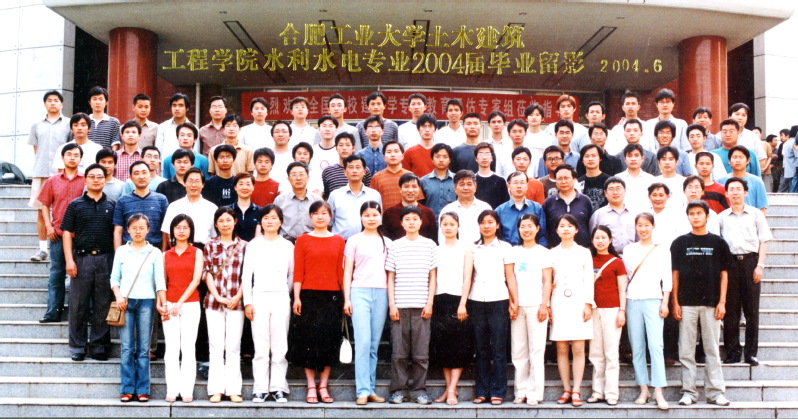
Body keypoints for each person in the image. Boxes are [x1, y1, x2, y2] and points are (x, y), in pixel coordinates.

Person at [671, 200, 732, 407]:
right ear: (687, 217)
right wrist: (675, 302)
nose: (696, 217)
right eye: (692, 213)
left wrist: (722, 302)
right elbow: (675, 275)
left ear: (707, 216)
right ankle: (688, 392)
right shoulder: (679, 243)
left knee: (712, 349)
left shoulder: (718, 243)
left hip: (711, 304)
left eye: (699, 213)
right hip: (686, 303)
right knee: (686, 351)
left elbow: (724, 275)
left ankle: (715, 393)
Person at [291, 201, 345, 404]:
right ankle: (311, 385)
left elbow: (341, 272)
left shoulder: (339, 240)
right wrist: (297, 297)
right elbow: (299, 271)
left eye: (324, 213)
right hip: (308, 295)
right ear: (310, 217)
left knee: (329, 341)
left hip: (332, 296)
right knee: (309, 340)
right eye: (316, 213)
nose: (320, 217)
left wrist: (346, 299)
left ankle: (323, 385)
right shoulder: (302, 240)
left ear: (330, 217)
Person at [62, 163, 115, 361]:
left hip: (105, 259)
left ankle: (99, 346)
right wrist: (69, 260)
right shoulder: (75, 205)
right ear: (85, 180)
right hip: (81, 259)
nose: (96, 180)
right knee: (78, 305)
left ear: (105, 180)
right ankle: (77, 347)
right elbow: (67, 233)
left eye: (100, 176)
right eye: (91, 176)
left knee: (103, 304)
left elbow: (117, 233)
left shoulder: (112, 204)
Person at [386, 205, 439, 405]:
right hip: (400, 306)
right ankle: (399, 390)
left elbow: (432, 277)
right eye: (407, 219)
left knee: (421, 353)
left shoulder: (430, 245)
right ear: (401, 223)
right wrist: (392, 304)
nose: (411, 222)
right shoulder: (394, 246)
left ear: (421, 222)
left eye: (415, 219)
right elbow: (391, 277)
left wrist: (430, 302)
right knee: (399, 353)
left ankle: (419, 390)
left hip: (421, 306)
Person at [110, 214, 166, 403]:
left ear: (148, 230)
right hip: (125, 302)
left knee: (143, 348)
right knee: (127, 348)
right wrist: (118, 296)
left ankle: (143, 389)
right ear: (128, 230)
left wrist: (163, 302)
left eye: (142, 228)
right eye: (134, 228)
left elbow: (159, 280)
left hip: (146, 302)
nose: (138, 231)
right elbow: (114, 278)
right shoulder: (121, 251)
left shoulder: (154, 252)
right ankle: (127, 389)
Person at [242, 205, 294, 403]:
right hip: (259, 298)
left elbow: (292, 275)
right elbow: (246, 276)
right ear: (261, 221)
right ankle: (260, 388)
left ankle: (279, 387)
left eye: (274, 218)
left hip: (280, 297)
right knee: (261, 346)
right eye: (266, 218)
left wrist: (285, 292)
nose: (270, 221)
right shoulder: (253, 246)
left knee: (280, 345)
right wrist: (248, 302)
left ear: (280, 221)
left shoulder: (288, 246)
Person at [719, 177, 772, 366]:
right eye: (731, 189)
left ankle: (751, 353)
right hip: (730, 263)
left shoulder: (756, 214)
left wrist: (760, 265)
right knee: (731, 310)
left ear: (745, 192)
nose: (735, 192)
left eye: (738, 189)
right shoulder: (722, 217)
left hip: (751, 262)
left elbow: (763, 241)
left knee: (751, 310)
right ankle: (732, 353)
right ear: (726, 193)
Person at [342, 201, 391, 405]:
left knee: (373, 344)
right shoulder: (354, 241)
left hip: (381, 293)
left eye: (375, 214)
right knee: (362, 342)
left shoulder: (388, 242)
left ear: (380, 217)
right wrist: (347, 298)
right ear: (361, 217)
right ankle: (362, 390)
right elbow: (347, 271)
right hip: (359, 292)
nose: (371, 218)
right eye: (367, 215)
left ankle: (371, 389)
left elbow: (391, 274)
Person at [623, 212, 672, 410]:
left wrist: (665, 303)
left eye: (646, 225)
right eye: (640, 225)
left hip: (654, 299)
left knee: (656, 345)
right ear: (635, 227)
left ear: (653, 226)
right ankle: (643, 388)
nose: (643, 229)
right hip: (632, 300)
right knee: (637, 346)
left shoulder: (662, 250)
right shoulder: (629, 249)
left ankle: (658, 390)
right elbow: (625, 278)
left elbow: (667, 278)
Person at [468, 210, 518, 405]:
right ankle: (482, 391)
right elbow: (468, 276)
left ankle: (498, 391)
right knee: (481, 348)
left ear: (497, 225)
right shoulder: (473, 248)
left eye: (490, 222)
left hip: (499, 299)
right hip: (476, 299)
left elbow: (510, 276)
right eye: (483, 222)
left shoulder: (505, 248)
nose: (486, 226)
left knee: (498, 348)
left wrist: (514, 301)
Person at [548, 214, 594, 407]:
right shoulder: (551, 253)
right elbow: (547, 281)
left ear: (576, 229)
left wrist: (588, 304)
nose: (565, 229)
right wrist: (548, 304)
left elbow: (589, 279)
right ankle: (566, 389)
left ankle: (576, 390)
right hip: (558, 301)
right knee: (561, 348)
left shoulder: (584, 252)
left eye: (569, 226)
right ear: (557, 230)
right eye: (562, 226)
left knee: (578, 347)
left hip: (579, 302)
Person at [36, 143, 85, 323]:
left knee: (81, 275)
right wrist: (48, 226)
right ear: (63, 158)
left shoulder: (86, 180)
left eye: (76, 155)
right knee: (56, 273)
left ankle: (80, 314)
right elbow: (44, 204)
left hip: (80, 236)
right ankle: (53, 312)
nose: (72, 157)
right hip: (57, 233)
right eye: (69, 154)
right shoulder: (53, 180)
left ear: (81, 159)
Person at [203, 207, 246, 403]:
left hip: (237, 302)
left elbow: (247, 274)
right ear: (216, 224)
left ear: (235, 222)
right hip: (214, 302)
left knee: (233, 346)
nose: (225, 224)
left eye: (228, 220)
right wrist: (218, 296)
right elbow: (207, 273)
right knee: (216, 346)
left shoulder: (244, 246)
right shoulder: (209, 246)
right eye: (221, 221)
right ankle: (216, 389)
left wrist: (238, 296)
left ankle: (233, 389)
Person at [430, 212, 473, 405]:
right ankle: (448, 389)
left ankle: (453, 389)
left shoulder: (465, 248)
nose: (448, 227)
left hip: (459, 300)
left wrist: (463, 303)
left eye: (452, 224)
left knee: (458, 346)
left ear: (458, 226)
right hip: (440, 299)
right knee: (443, 347)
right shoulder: (435, 249)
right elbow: (433, 277)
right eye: (445, 224)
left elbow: (467, 277)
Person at [510, 214, 551, 406]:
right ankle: (521, 391)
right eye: (522, 226)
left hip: (536, 305)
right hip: (518, 306)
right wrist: (513, 302)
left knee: (537, 349)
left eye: (530, 226)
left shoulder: (544, 252)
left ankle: (534, 393)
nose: (526, 230)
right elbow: (510, 279)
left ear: (537, 228)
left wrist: (544, 305)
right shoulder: (513, 252)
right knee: (518, 350)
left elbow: (547, 281)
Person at [161, 215, 203, 403]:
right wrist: (162, 303)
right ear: (172, 230)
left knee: (188, 347)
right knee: (171, 348)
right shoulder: (165, 254)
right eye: (177, 227)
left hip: (190, 304)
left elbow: (196, 280)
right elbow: (162, 282)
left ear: (190, 230)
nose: (181, 231)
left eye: (185, 227)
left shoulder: (197, 252)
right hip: (169, 304)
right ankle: (172, 389)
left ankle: (187, 390)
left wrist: (179, 302)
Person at [28, 90, 70, 262]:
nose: (53, 103)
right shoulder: (36, 125)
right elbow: (36, 149)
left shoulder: (68, 124)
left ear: (61, 104)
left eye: (56, 100)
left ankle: (64, 248)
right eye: (49, 100)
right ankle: (42, 249)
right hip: (42, 172)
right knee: (41, 211)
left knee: (65, 211)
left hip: (62, 174)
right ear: (45, 104)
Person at [587, 226, 627, 406]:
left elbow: (622, 289)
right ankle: (597, 391)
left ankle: (611, 393)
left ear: (610, 240)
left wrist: (622, 311)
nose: (600, 241)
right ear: (592, 240)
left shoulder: (617, 262)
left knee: (611, 352)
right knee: (595, 352)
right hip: (592, 310)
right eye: (597, 237)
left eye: (604, 237)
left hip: (612, 310)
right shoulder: (588, 260)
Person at [113, 161, 169, 251]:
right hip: (129, 250)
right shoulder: (122, 201)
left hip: (154, 250)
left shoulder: (161, 199)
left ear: (150, 175)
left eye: (144, 172)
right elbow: (118, 231)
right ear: (130, 178)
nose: (141, 176)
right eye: (136, 173)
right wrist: (118, 254)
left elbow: (165, 230)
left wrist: (163, 253)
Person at [328, 155, 382, 240]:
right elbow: (329, 223)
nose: (354, 171)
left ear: (364, 171)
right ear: (345, 172)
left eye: (358, 167)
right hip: (341, 242)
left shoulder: (374, 195)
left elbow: (378, 222)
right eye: (351, 167)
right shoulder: (335, 195)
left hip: (367, 241)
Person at [161, 168, 218, 248]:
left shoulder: (212, 208)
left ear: (203, 184)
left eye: (197, 181)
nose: (193, 185)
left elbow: (214, 236)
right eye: (190, 181)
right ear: (184, 183)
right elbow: (167, 232)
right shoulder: (174, 206)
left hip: (204, 249)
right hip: (179, 249)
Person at [542, 165, 594, 248]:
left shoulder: (585, 200)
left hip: (582, 250)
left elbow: (591, 226)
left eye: (566, 178)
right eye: (559, 179)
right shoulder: (549, 202)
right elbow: (544, 229)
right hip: (556, 251)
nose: (563, 181)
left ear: (574, 179)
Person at [438, 170, 491, 244]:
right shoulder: (447, 210)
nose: (466, 188)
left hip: (481, 249)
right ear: (455, 188)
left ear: (475, 187)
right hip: (455, 250)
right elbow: (442, 238)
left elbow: (491, 234)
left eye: (469, 184)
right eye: (462, 184)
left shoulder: (485, 208)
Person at [274, 162, 323, 242]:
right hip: (285, 242)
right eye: (294, 175)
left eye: (301, 174)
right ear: (289, 179)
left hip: (311, 241)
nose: (298, 178)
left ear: (308, 177)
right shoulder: (280, 200)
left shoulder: (317, 200)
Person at [494, 171, 547, 246]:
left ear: (527, 185)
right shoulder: (500, 211)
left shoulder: (537, 208)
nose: (519, 186)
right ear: (508, 186)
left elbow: (542, 236)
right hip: (508, 250)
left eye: (522, 183)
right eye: (515, 183)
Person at [381, 173, 437, 241]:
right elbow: (386, 240)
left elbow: (433, 239)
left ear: (419, 189)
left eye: (414, 186)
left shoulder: (428, 213)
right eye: (406, 186)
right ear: (400, 189)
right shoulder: (389, 213)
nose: (410, 190)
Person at [589, 177, 636, 256]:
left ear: (625, 191)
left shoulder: (634, 214)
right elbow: (593, 239)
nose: (615, 192)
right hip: (608, 257)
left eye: (618, 189)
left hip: (631, 257)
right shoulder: (598, 215)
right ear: (605, 193)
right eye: (611, 189)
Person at [717, 146, 769, 213]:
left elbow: (762, 209)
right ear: (729, 161)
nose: (738, 160)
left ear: (748, 160)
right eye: (734, 157)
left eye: (741, 157)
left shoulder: (757, 182)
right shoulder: (720, 181)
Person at [322, 132, 373, 199]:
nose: (344, 148)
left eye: (348, 145)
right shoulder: (328, 171)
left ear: (353, 148)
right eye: (341, 145)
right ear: (336, 148)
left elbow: (368, 193)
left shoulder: (363, 170)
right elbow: (326, 197)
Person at [370, 141, 419, 209]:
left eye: (396, 151)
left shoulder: (411, 176)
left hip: (407, 214)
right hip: (386, 215)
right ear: (384, 157)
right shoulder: (376, 178)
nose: (393, 155)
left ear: (402, 156)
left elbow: (418, 200)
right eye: (389, 152)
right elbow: (372, 201)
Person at [419, 143, 456, 219]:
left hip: (451, 222)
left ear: (450, 160)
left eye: (445, 157)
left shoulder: (457, 180)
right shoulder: (423, 181)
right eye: (437, 157)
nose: (441, 160)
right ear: (432, 159)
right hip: (430, 222)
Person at [616, 143, 656, 214]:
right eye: (629, 156)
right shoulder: (618, 178)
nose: (633, 159)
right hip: (623, 217)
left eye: (636, 155)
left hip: (645, 218)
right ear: (625, 159)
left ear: (642, 158)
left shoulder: (651, 179)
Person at [156, 93, 194, 158]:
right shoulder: (163, 127)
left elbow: (196, 151)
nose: (177, 108)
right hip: (166, 164)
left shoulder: (193, 128)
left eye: (180, 105)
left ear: (187, 108)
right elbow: (158, 151)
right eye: (174, 105)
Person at [474, 142, 510, 209]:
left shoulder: (500, 180)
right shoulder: (472, 180)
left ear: (492, 158)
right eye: (480, 154)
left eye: (487, 154)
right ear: (476, 158)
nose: (484, 157)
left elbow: (505, 205)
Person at [227, 173, 260, 242]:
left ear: (253, 187)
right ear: (235, 187)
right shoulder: (227, 211)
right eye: (241, 184)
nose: (244, 188)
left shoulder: (260, 211)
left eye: (248, 184)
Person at [402, 113, 437, 177]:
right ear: (418, 129)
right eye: (424, 126)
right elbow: (405, 176)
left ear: (435, 129)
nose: (427, 130)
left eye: (430, 126)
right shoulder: (409, 153)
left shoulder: (440, 152)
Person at [577, 143, 610, 211]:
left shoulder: (609, 181)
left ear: (600, 158)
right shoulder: (578, 182)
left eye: (594, 156)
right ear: (582, 160)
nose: (590, 159)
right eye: (587, 156)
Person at [269, 120, 296, 187]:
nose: (280, 134)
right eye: (277, 132)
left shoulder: (296, 155)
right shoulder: (267, 155)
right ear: (272, 136)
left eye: (284, 132)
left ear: (290, 135)